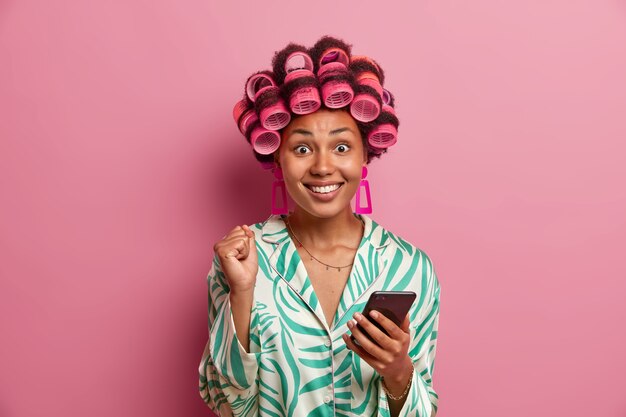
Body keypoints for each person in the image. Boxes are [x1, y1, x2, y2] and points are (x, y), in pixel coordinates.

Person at [198, 36, 441, 417]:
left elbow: (422, 411)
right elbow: (223, 401)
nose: (323, 166)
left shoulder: (409, 267)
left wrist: (398, 371)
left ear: (366, 154)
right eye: (302, 148)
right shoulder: (241, 260)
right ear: (277, 156)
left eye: (341, 147)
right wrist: (242, 293)